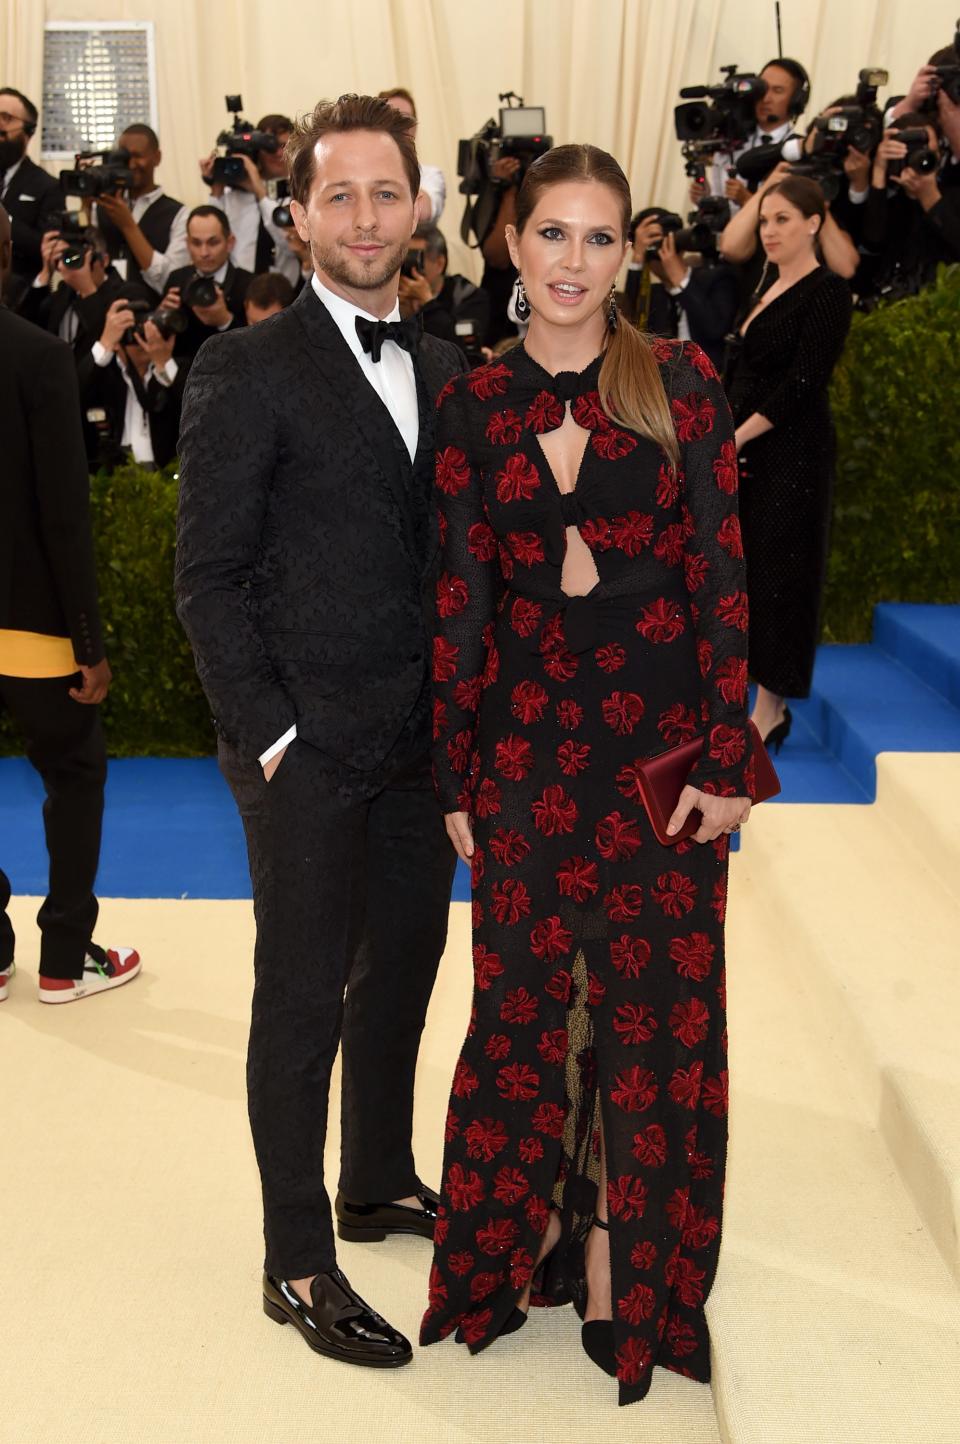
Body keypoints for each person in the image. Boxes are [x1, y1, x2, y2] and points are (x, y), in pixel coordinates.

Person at [420, 143, 753, 1406]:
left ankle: (627, 1256)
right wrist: (454, 769)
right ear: (512, 245)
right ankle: (518, 1240)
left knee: (653, 1013)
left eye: (598, 238)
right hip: (524, 758)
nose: (572, 261)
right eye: (551, 234)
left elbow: (725, 576)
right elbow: (459, 604)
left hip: (660, 757)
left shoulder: (679, 380)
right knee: (521, 1015)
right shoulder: (472, 405)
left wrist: (730, 753)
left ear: (631, 251)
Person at [175, 94, 465, 1370]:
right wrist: (272, 735)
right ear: (297, 219)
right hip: (305, 752)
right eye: (337, 196)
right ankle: (297, 1255)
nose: (363, 218)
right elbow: (209, 576)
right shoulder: (245, 366)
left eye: (384, 194)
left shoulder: (450, 368)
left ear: (418, 211)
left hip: (417, 749)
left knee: (400, 972)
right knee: (300, 1004)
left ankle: (378, 1174)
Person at [0, 203, 139, 1006]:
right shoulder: (38, 357)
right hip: (30, 623)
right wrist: (89, 642)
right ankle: (63, 958)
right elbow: (63, 512)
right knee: (76, 774)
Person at [724, 176, 852, 746]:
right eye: (765, 220)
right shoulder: (765, 285)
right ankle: (747, 697)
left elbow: (803, 382)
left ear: (814, 223)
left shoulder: (827, 291)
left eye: (782, 220)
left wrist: (740, 434)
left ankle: (770, 707)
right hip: (748, 449)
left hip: (791, 455)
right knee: (746, 573)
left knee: (782, 578)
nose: (769, 231)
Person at [79, 285, 185, 471]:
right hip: (111, 474)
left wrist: (163, 363)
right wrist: (105, 343)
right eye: (132, 330)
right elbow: (73, 395)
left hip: (166, 478)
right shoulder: (103, 372)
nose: (140, 338)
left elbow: (193, 410)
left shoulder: (177, 369)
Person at [624, 209, 739, 371]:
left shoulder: (717, 278)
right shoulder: (654, 294)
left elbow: (715, 329)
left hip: (706, 383)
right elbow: (627, 318)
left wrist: (681, 280)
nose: (659, 258)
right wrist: (637, 258)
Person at [199, 113, 300, 285]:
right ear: (256, 151)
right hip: (239, 292)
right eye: (270, 147)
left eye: (284, 145)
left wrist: (261, 194)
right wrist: (216, 189)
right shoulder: (235, 195)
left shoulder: (301, 195)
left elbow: (291, 247)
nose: (278, 153)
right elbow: (212, 235)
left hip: (284, 292)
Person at [694, 58, 809, 210]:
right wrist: (705, 199)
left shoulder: (799, 151)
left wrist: (747, 199)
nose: (766, 98)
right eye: (762, 89)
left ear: (796, 100)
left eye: (777, 91)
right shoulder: (730, 144)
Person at [93, 124, 189, 295]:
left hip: (151, 314)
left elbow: (170, 281)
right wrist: (85, 206)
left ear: (157, 158)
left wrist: (128, 226)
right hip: (104, 312)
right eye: (123, 157)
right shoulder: (102, 206)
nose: (130, 164)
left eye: (138, 156)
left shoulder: (179, 215)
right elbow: (86, 264)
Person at [159, 206, 252, 365]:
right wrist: (162, 317)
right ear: (187, 244)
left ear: (230, 243)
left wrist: (225, 321)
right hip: (184, 379)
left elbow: (257, 348)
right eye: (196, 243)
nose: (204, 252)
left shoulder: (248, 284)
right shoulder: (177, 280)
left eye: (213, 242)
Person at [19, 224, 123, 363]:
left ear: (104, 261)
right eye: (71, 258)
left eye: (84, 258)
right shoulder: (64, 292)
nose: (78, 266)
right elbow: (25, 327)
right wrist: (45, 273)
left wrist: (87, 291)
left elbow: (106, 346)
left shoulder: (124, 294)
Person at [0, 87, 63, 305]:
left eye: (6, 118)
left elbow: (45, 248)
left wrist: (4, 219)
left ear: (28, 131)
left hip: (21, 303)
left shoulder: (48, 186)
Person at [398, 224, 491, 358]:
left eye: (416, 258)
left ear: (440, 263)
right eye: (405, 258)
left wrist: (428, 304)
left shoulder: (470, 297)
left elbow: (459, 349)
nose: (409, 266)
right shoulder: (393, 297)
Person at [379, 88, 446, 222]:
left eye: (406, 118)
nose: (400, 125)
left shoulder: (431, 175)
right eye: (391, 117)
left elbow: (423, 210)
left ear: (415, 127)